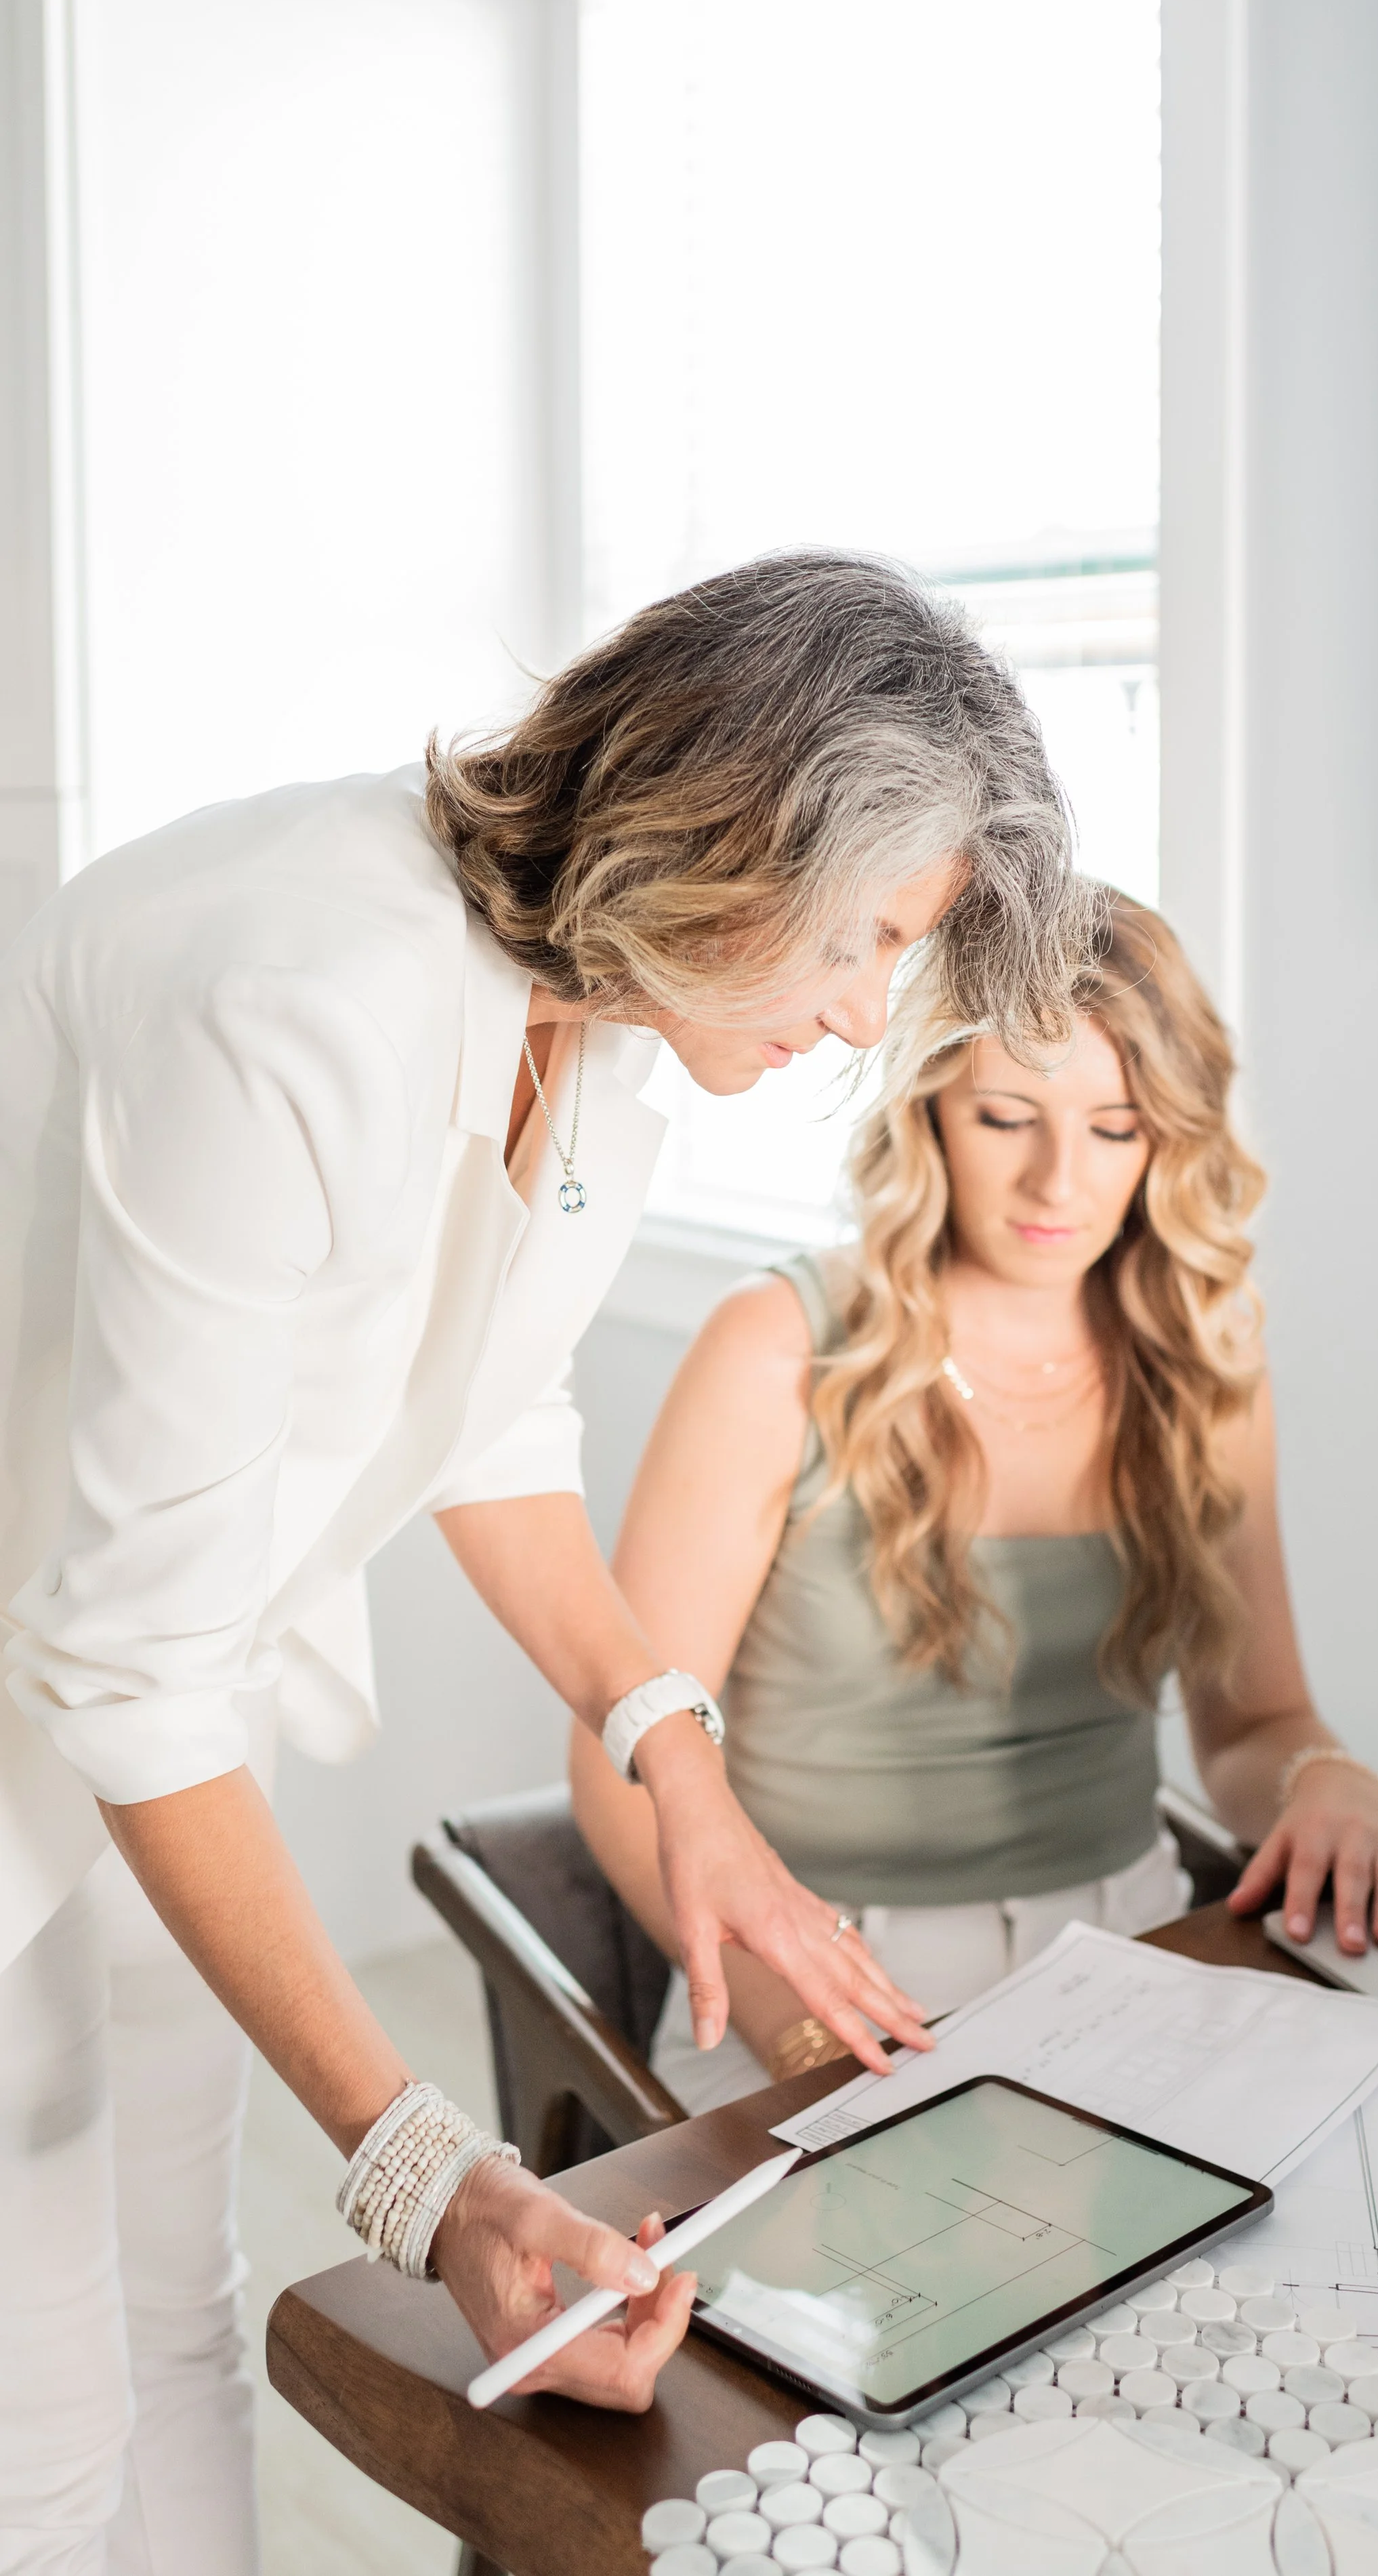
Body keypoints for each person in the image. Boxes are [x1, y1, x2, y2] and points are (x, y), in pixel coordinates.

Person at [0, 551, 1091, 2573]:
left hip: (158, 1696)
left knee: (177, 2315)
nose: (863, 1017)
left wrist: (683, 1767)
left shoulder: (605, 1011)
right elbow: (119, 1671)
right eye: (862, 941)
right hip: (64, 1694)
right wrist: (433, 2177)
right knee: (38, 2426)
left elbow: (483, 1419)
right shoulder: (296, 997)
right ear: (735, 827)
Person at [572, 891, 1378, 2112]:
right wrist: (803, 2034)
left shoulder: (1206, 1358)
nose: (1059, 1180)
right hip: (813, 1968)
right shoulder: (775, 1347)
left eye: (1116, 1128)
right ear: (928, 1106)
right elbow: (620, 1768)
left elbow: (1253, 1727)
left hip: (1134, 1956)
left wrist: (1322, 1775)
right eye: (1007, 1117)